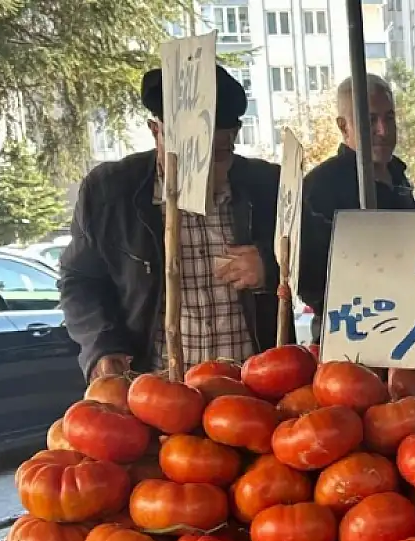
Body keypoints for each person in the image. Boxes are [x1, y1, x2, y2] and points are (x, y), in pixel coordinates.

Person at [61, 64, 280, 380]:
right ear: (155, 131)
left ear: (234, 137)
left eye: (216, 156)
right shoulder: (110, 191)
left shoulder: (267, 185)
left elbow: (314, 266)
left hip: (253, 386)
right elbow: (79, 279)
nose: (200, 172)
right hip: (153, 388)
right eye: (186, 156)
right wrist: (103, 344)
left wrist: (270, 267)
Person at [297, 74, 415, 327]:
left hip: (411, 322)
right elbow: (307, 275)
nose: (383, 130)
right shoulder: (321, 185)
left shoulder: (398, 176)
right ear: (344, 127)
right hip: (352, 330)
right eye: (370, 120)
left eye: (390, 118)